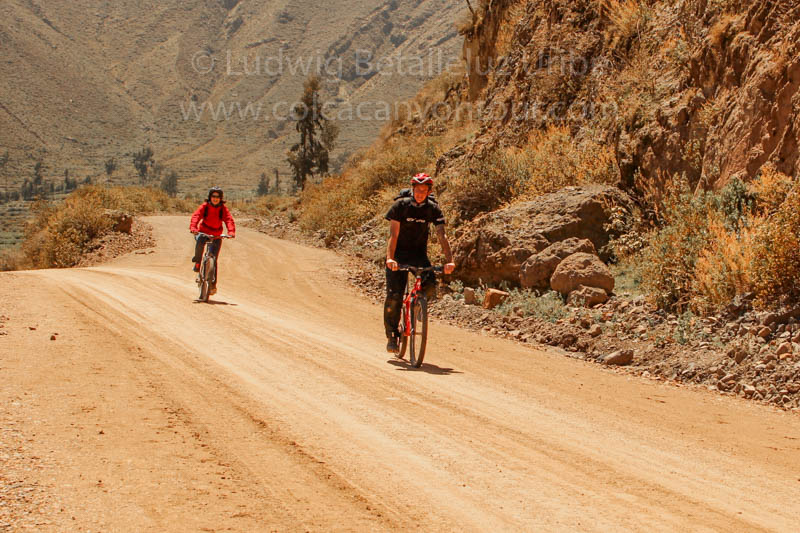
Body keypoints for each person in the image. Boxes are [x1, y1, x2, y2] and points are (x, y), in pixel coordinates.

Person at [384, 173, 456, 352]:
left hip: (418, 255)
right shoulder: (400, 206)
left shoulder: (433, 209)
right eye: (417, 190)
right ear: (412, 189)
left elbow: (441, 235)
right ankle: (392, 335)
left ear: (429, 191)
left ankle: (419, 304)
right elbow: (393, 235)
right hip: (398, 254)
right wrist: (390, 259)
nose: (420, 193)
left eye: (424, 191)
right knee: (394, 296)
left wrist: (450, 261)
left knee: (430, 283)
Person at [189, 187, 236, 295]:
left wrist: (231, 232)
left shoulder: (223, 209)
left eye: (217, 197)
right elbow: (196, 216)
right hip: (204, 232)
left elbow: (228, 219)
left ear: (221, 198)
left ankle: (213, 285)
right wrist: (194, 228)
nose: (215, 199)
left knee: (214, 260)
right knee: (200, 244)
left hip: (217, 235)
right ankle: (197, 262)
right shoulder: (205, 207)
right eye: (213, 196)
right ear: (210, 197)